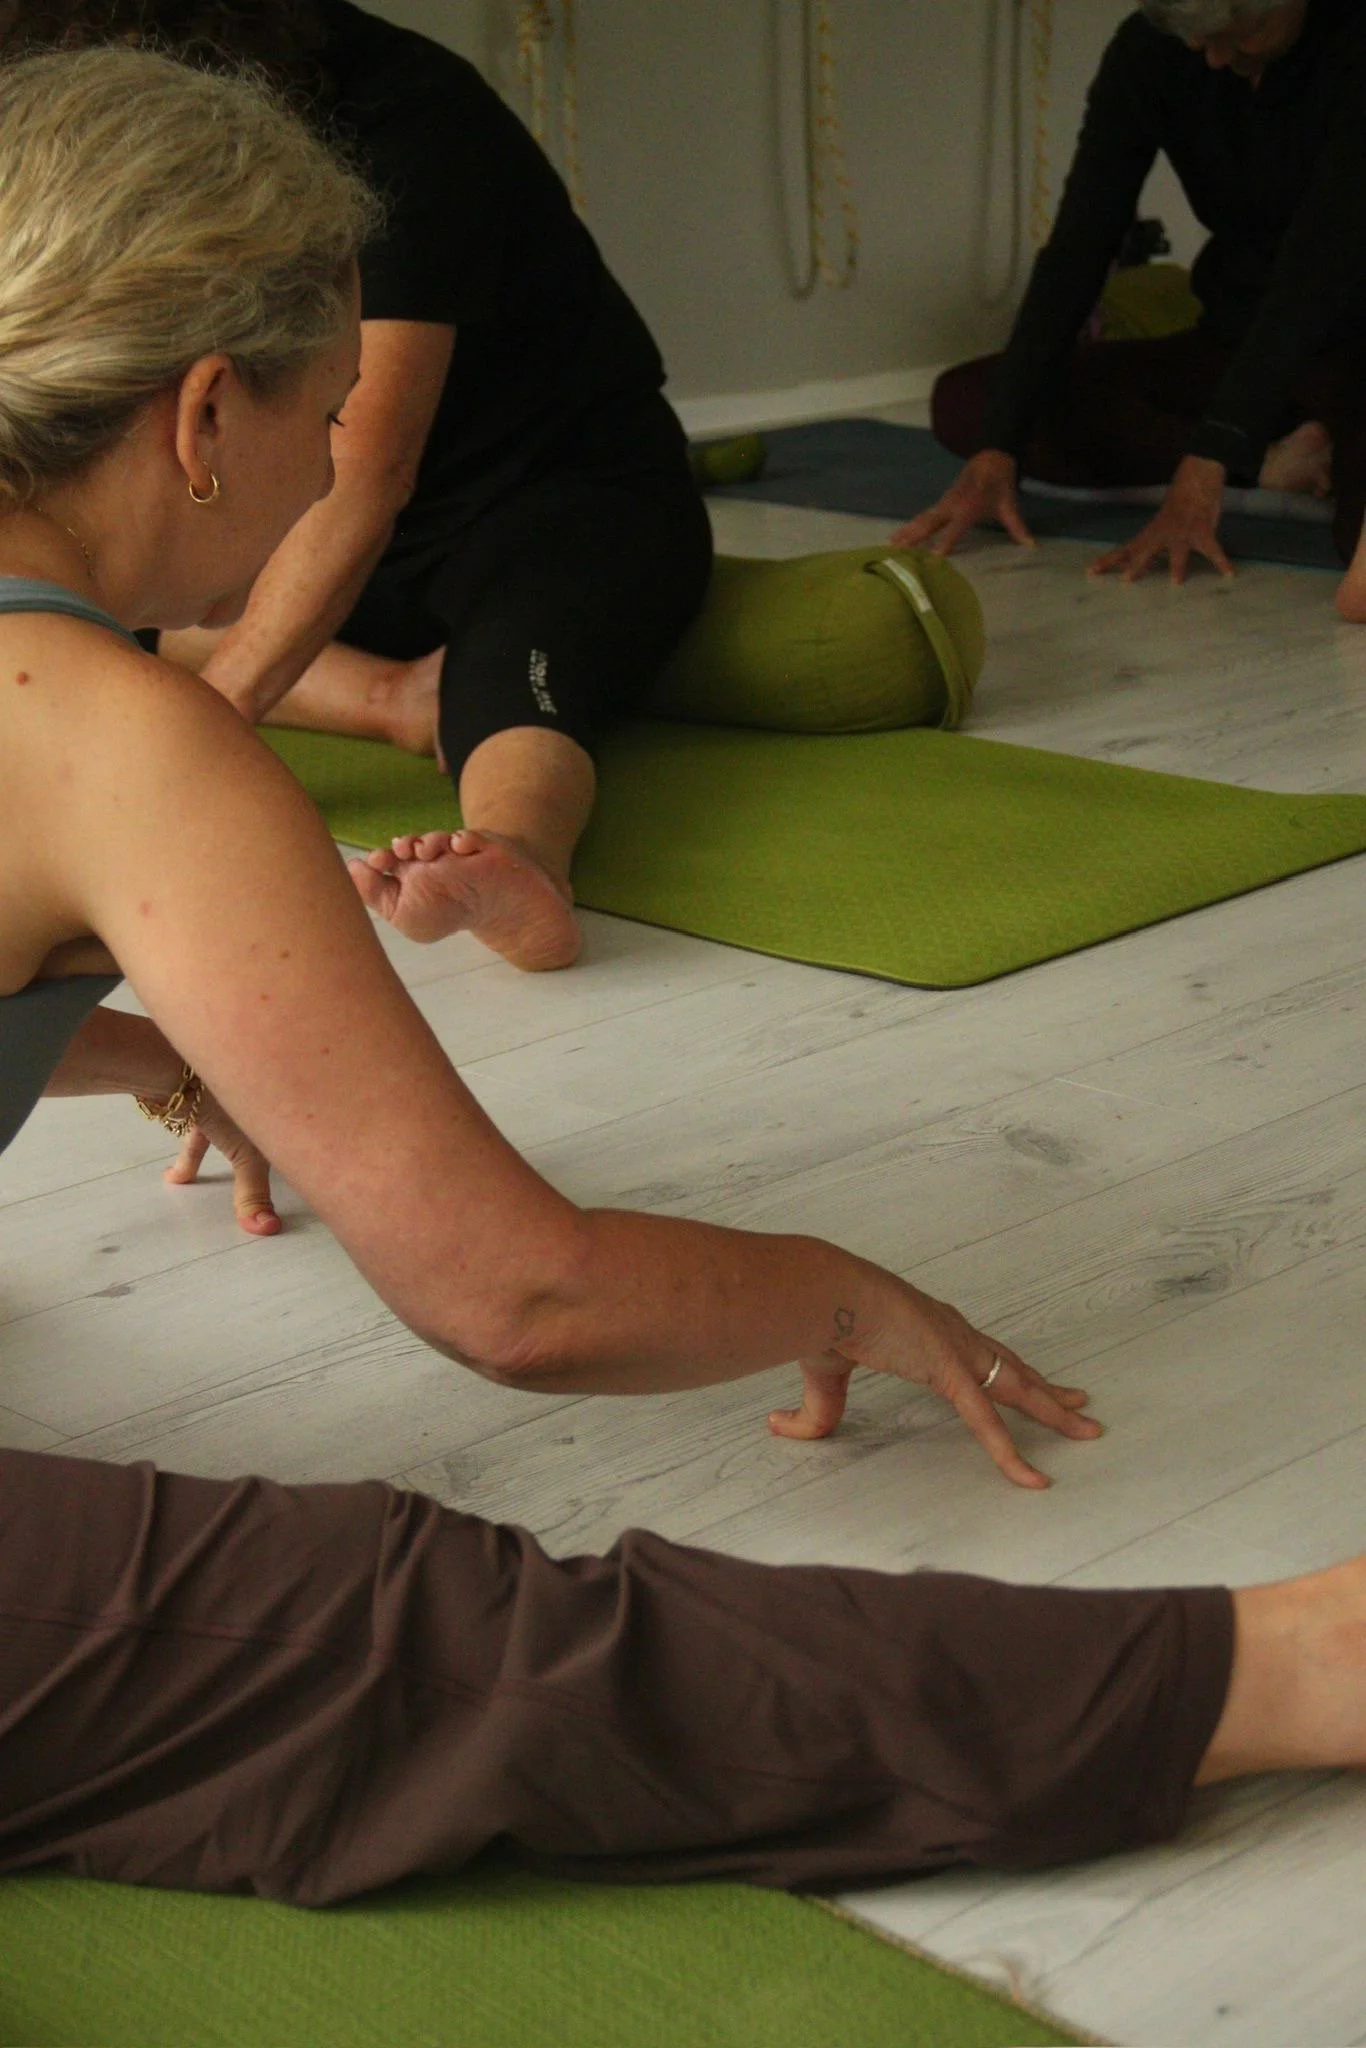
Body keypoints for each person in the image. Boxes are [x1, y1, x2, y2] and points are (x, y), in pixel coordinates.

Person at [2, 39, 1366, 1913]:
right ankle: (1289, 1669)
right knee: (425, 1635)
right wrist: (833, 1286)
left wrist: (159, 1060)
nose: (335, 461)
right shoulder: (123, 737)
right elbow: (518, 1297)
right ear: (205, 412)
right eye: (329, 408)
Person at [4, 0, 714, 974]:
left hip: (538, 489)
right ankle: (391, 697)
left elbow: (369, 465)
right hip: (291, 516)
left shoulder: (409, 119)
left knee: (512, 651)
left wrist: (192, 745)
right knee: (135, 592)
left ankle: (517, 853)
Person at [896, 0, 1366, 596]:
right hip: (1235, 342)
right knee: (976, 404)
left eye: (1239, 34)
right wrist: (997, 448)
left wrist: (1213, 453)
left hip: (1352, 351)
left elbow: (1316, 272)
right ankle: (1272, 460)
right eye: (1199, 38)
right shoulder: (1153, 51)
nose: (1215, 57)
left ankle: (1290, 448)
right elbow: (1081, 242)